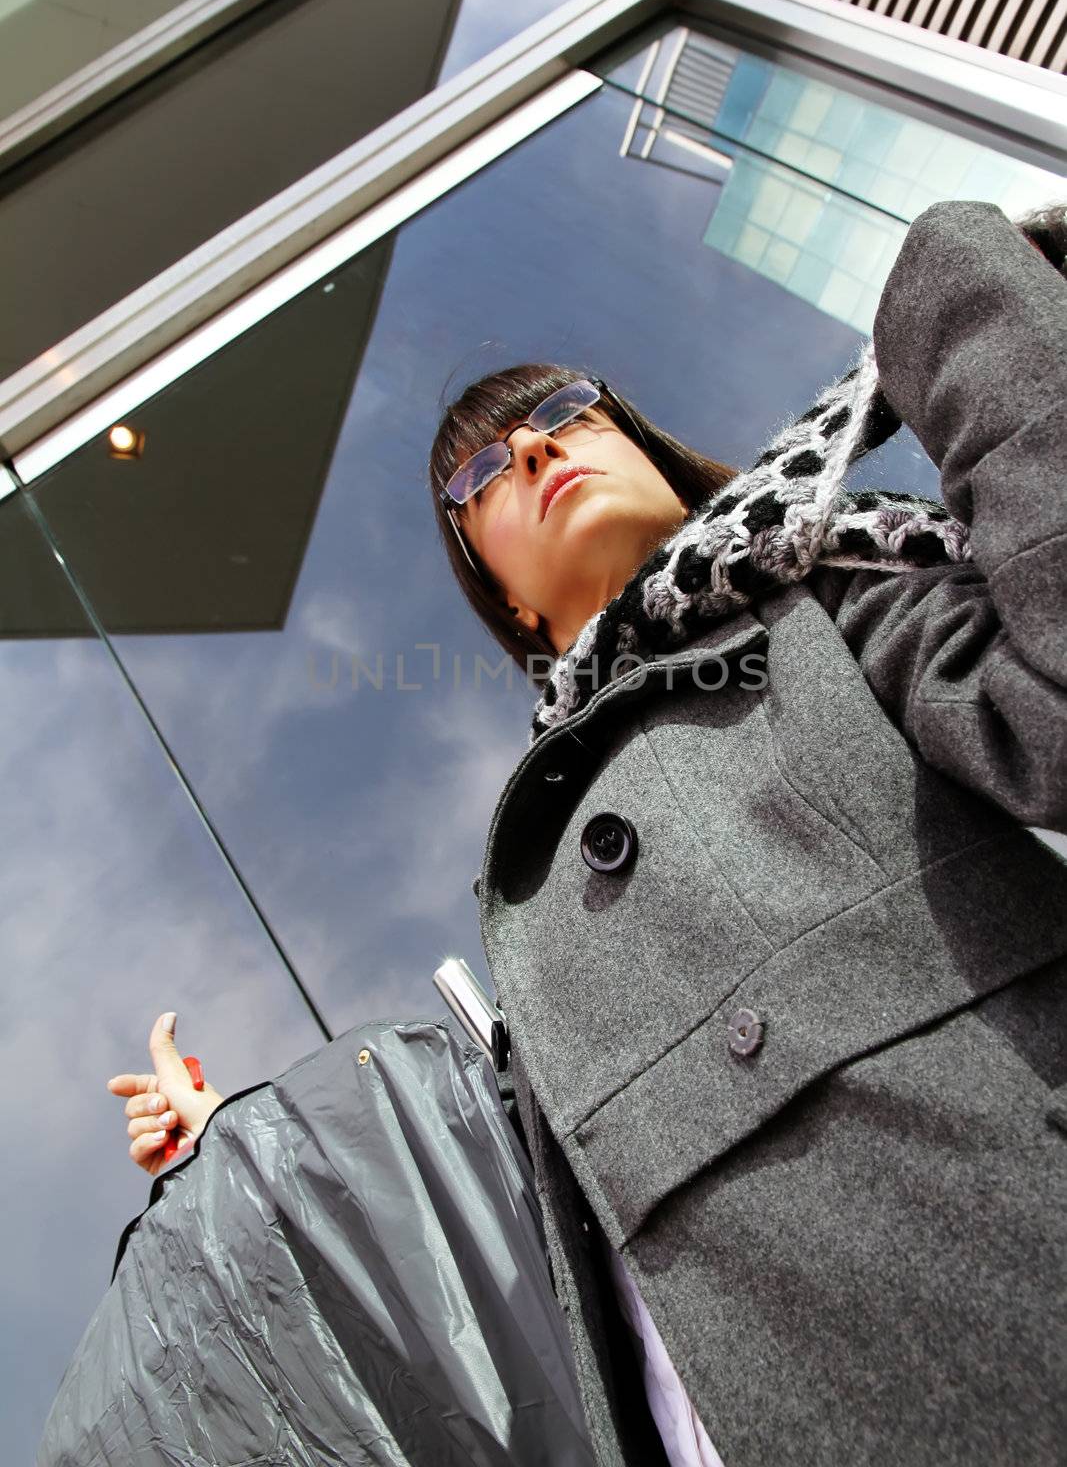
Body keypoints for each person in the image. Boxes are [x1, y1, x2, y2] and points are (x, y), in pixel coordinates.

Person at [109, 198, 1067, 1466]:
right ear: (497, 593)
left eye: (562, 411)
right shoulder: (528, 876)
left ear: (636, 438)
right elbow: (527, 1223)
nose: (534, 450)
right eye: (479, 472)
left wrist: (954, 290)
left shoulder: (825, 605)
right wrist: (247, 1144)